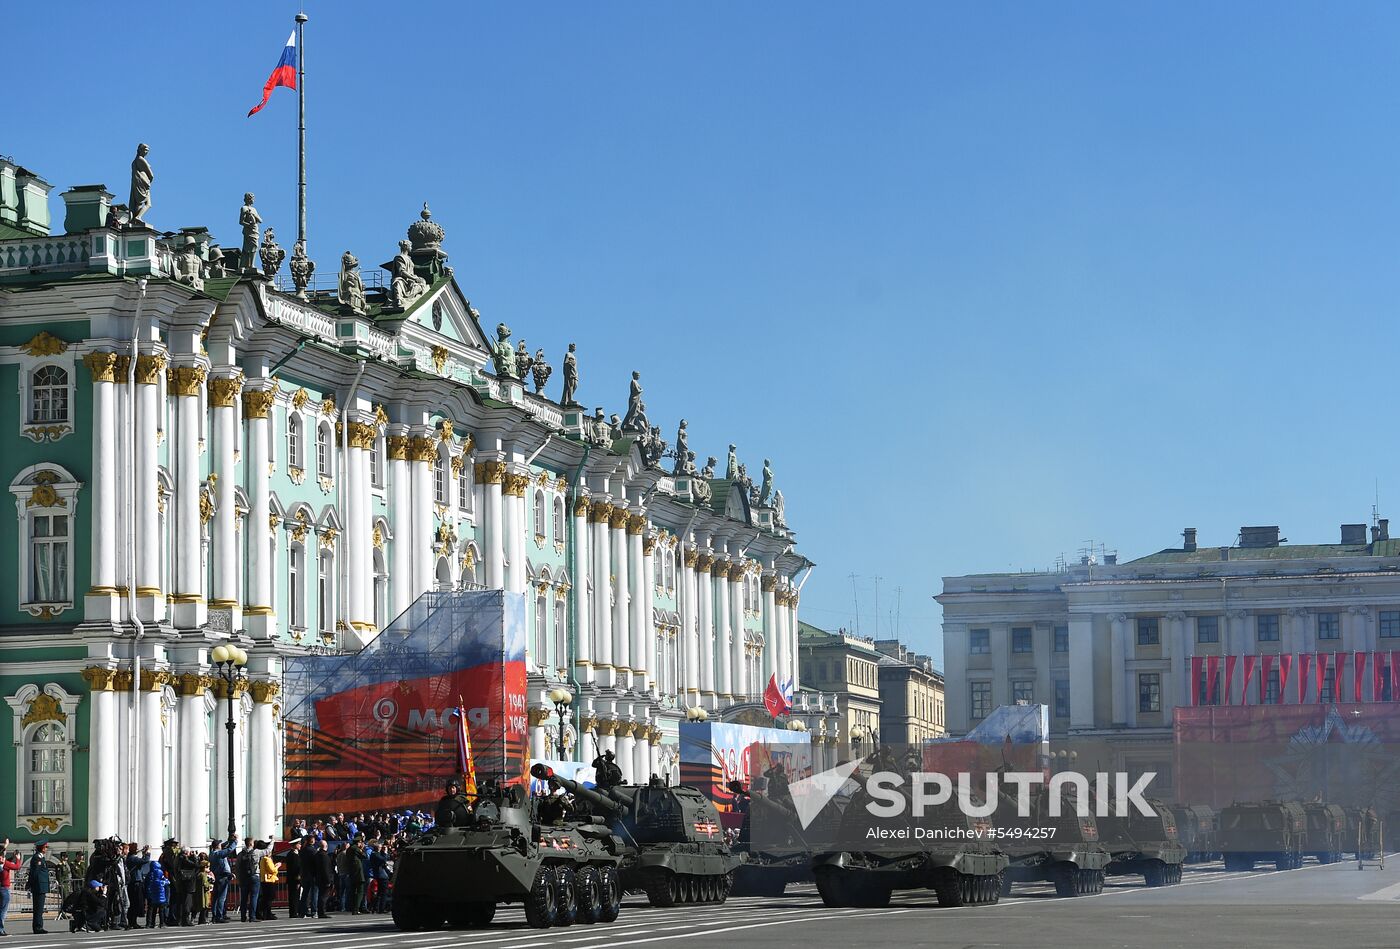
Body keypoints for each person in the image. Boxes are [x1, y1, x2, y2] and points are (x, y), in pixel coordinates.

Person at [26, 840, 51, 934]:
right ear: (42, 848)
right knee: (38, 908)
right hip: (39, 886)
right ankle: (38, 927)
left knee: (39, 908)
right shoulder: (37, 858)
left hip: (41, 886)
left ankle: (39, 926)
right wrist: (30, 884)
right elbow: (34, 873)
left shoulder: (41, 857)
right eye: (46, 847)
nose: (46, 849)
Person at [208, 838, 235, 923]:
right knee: (221, 898)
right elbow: (230, 849)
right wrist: (235, 841)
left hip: (216, 876)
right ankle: (219, 916)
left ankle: (214, 915)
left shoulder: (211, 854)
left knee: (215, 898)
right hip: (222, 877)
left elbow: (224, 846)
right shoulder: (219, 854)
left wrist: (229, 840)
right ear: (218, 846)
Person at [0, 838, 20, 936]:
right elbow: (17, 867)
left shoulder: (3, 863)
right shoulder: (5, 864)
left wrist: (5, 846)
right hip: (4, 889)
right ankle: (0, 929)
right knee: (3, 911)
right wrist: (18, 858)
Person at [235, 840, 258, 922]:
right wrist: (272, 841)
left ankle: (243, 917)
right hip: (253, 876)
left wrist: (238, 879)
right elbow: (267, 850)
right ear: (251, 844)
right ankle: (252, 916)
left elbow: (237, 867)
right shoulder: (255, 853)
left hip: (243, 878)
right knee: (253, 897)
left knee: (244, 898)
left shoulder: (240, 854)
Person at [143, 860, 168, 929]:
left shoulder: (149, 875)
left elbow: (146, 884)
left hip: (151, 895)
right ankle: (162, 923)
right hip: (161, 897)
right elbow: (166, 881)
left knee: (151, 909)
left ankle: (150, 923)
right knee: (161, 910)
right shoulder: (160, 878)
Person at [312, 840, 333, 919]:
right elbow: (326, 869)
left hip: (318, 878)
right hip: (324, 879)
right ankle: (322, 912)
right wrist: (328, 880)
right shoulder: (324, 856)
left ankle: (320, 911)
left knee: (321, 895)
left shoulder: (317, 855)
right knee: (323, 896)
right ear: (326, 846)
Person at [257, 846, 278, 920]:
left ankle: (264, 913)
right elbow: (272, 870)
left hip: (264, 880)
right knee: (269, 897)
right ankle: (267, 913)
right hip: (269, 880)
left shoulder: (263, 859)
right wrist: (277, 866)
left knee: (266, 898)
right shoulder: (267, 859)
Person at [283, 839, 302, 918]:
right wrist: (298, 881)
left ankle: (294, 911)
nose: (300, 845)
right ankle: (294, 912)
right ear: (295, 845)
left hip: (292, 878)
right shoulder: (293, 855)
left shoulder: (293, 854)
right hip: (294, 879)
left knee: (294, 895)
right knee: (294, 896)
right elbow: (295, 869)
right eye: (299, 844)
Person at [196, 855, 212, 925]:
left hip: (201, 892)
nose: (208, 869)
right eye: (207, 867)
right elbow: (205, 884)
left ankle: (202, 919)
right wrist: (209, 885)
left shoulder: (199, 874)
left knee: (203, 906)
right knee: (205, 906)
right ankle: (203, 920)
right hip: (204, 893)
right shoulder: (203, 875)